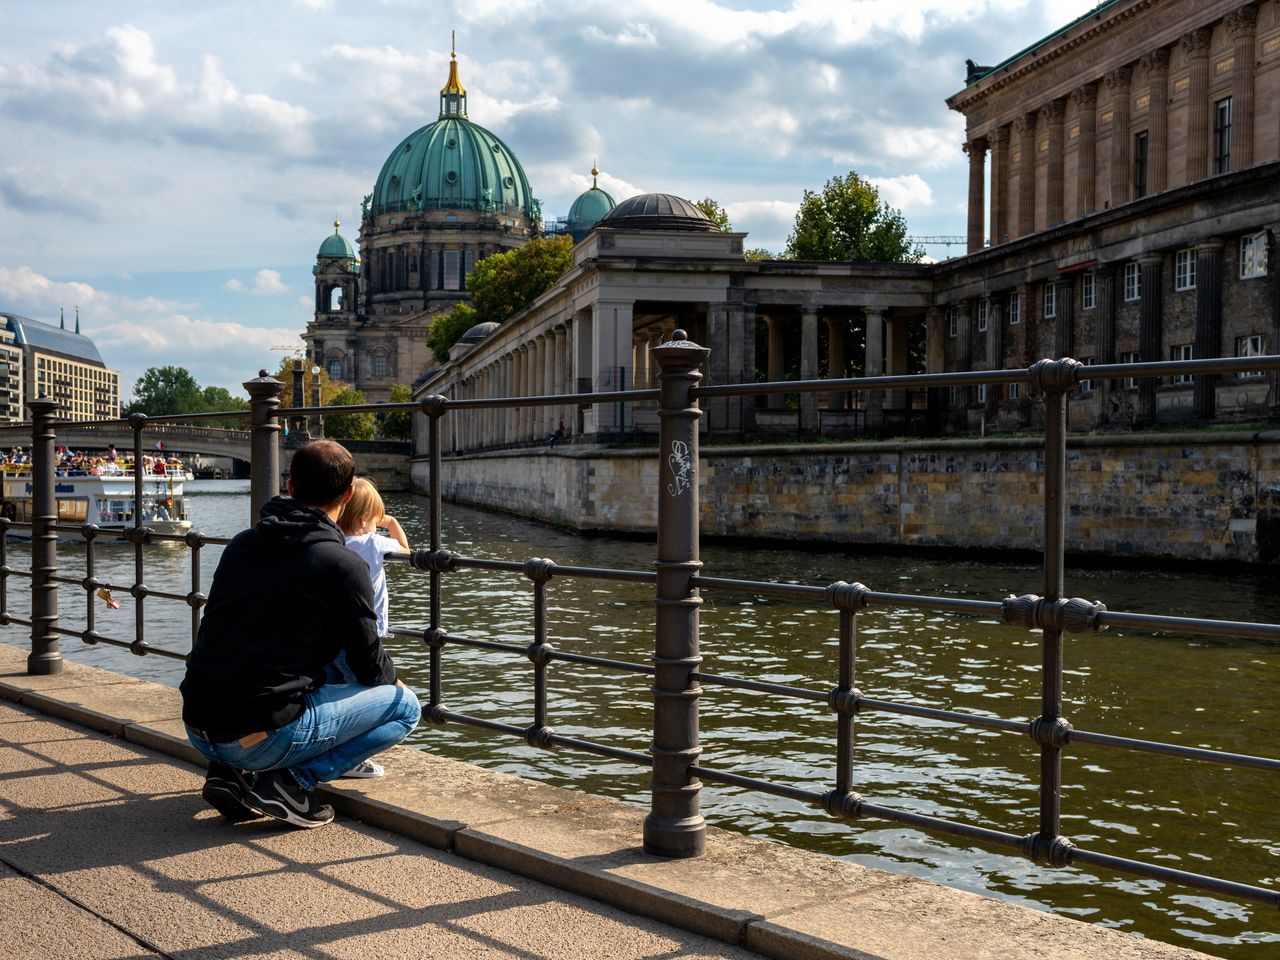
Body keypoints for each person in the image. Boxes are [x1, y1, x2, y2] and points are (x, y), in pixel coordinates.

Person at [180, 440, 420, 828]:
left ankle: (232, 773)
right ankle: (293, 784)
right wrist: (392, 681)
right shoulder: (342, 564)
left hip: (197, 724)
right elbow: (368, 665)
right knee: (405, 705)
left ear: (290, 487)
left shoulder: (242, 544)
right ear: (348, 494)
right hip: (260, 739)